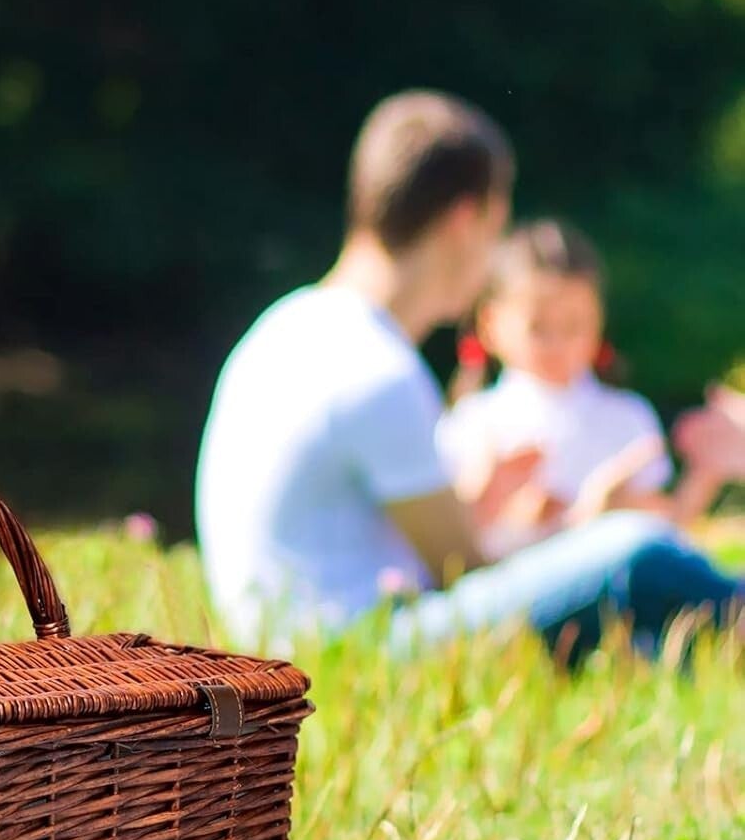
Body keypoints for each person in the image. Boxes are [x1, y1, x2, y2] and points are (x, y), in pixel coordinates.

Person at [194, 90, 740, 659]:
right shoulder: (377, 369)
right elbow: (465, 573)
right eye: (495, 228)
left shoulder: (287, 324)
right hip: (355, 647)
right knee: (634, 549)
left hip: (281, 641)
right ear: (465, 220)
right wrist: (584, 527)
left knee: (643, 634)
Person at [436, 220, 729, 557]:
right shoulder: (473, 423)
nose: (557, 344)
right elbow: (453, 553)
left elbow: (667, 535)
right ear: (490, 324)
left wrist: (706, 473)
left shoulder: (627, 417)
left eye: (574, 326)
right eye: (538, 328)